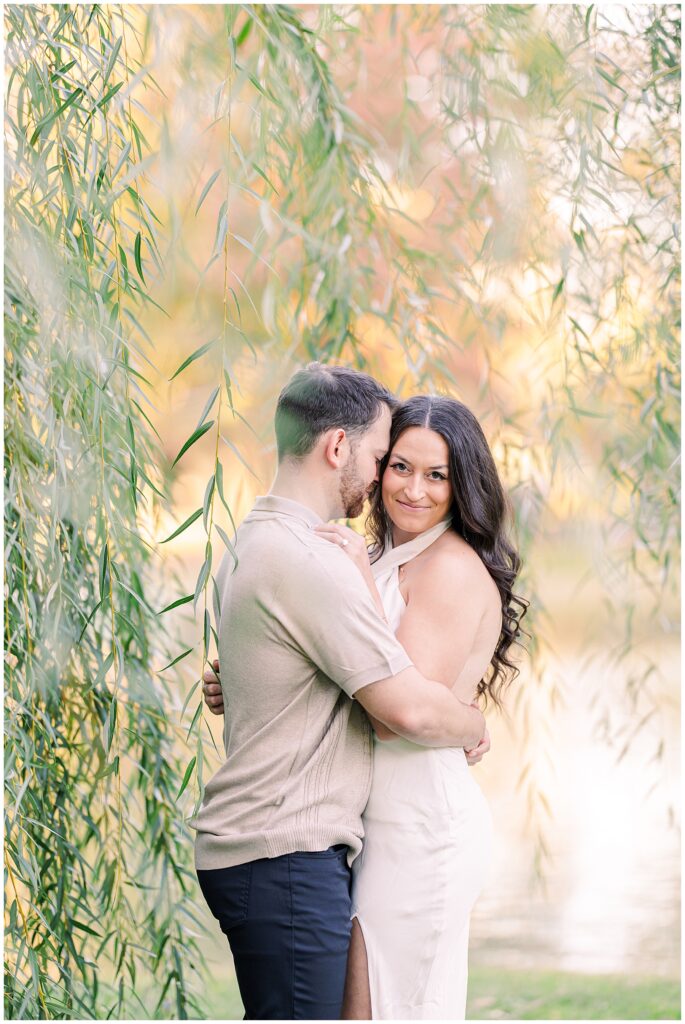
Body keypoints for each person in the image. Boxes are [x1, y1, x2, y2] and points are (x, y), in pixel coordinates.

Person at [205, 392, 526, 1019]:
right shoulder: (377, 556)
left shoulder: (450, 569)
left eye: (438, 475)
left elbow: (390, 710)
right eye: (399, 465)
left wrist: (472, 720)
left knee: (388, 1008)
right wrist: (250, 678)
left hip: (417, 825)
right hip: (359, 825)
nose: (413, 489)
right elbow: (332, 660)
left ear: (463, 484)